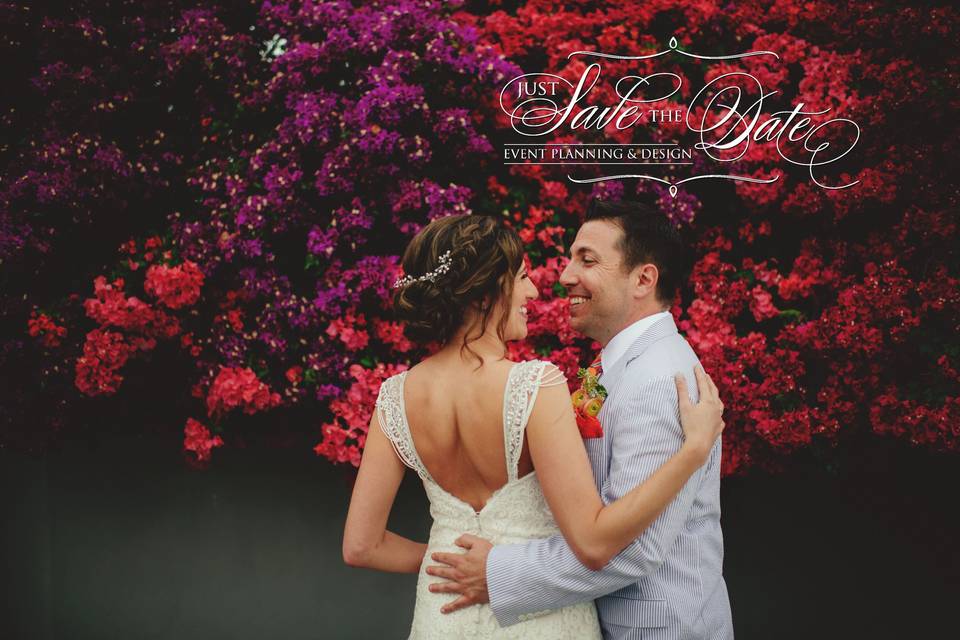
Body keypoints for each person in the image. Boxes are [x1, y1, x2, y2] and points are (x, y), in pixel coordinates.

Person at [342, 211, 725, 639]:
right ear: (486, 293)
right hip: (537, 620)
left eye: (587, 259)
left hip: (445, 613)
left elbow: (361, 546)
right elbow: (596, 539)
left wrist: (454, 557)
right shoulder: (533, 386)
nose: (541, 286)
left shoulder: (393, 397)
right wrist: (694, 452)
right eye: (522, 276)